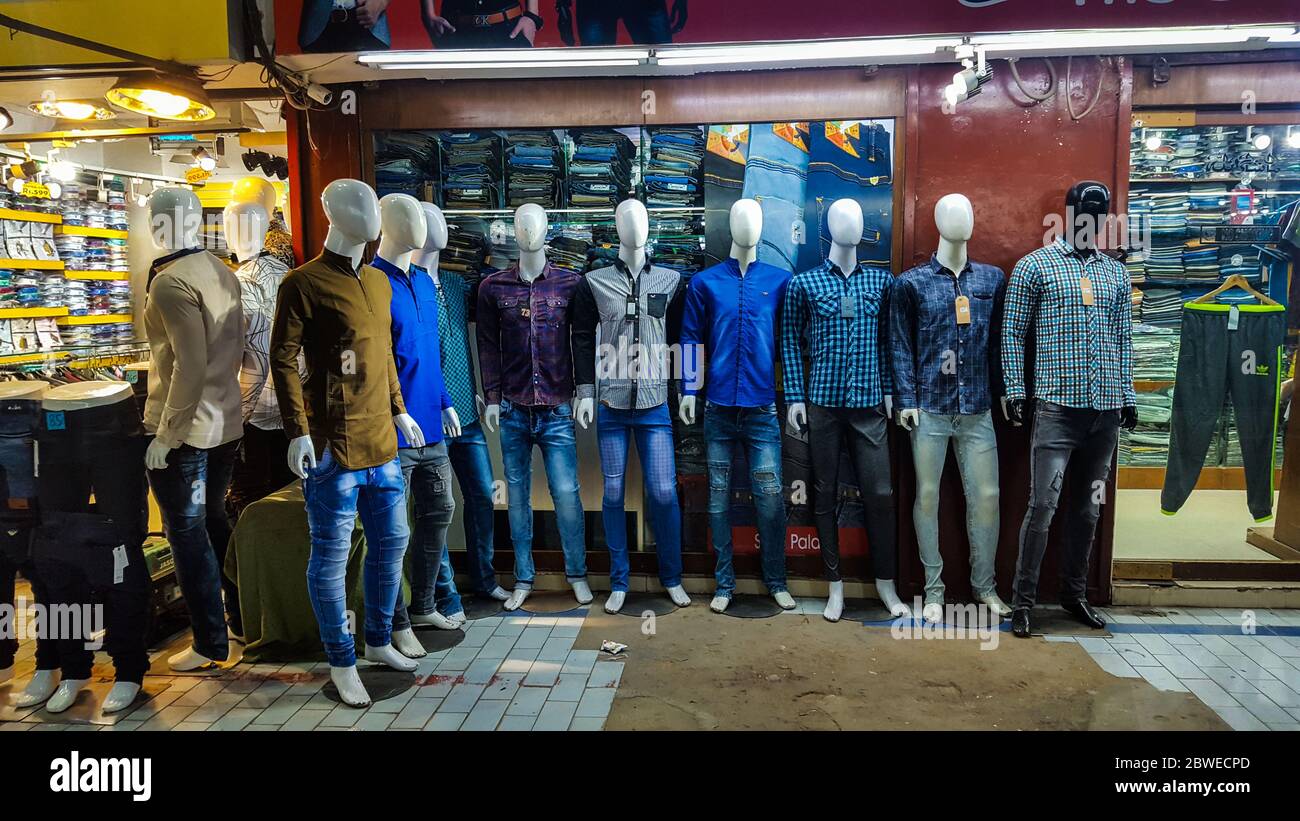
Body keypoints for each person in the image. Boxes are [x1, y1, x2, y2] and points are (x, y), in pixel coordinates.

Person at [423, 0, 542, 48]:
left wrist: (532, 16)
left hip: (509, 29)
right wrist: (428, 14)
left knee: (516, 97)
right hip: (456, 30)